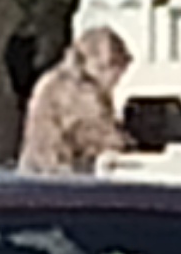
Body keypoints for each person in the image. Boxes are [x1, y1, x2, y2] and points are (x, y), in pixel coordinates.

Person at [15, 25, 137, 176]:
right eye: (116, 70)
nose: (118, 79)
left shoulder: (57, 81)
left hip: (45, 174)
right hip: (57, 176)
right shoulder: (71, 90)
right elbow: (98, 137)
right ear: (98, 65)